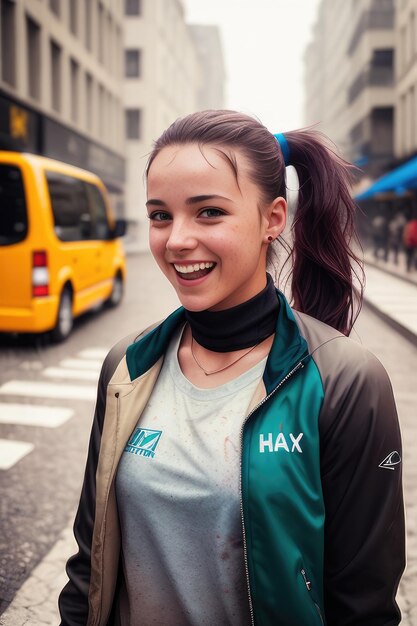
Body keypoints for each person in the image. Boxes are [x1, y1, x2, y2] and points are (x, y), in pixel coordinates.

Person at [59, 110, 405, 625]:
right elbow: (90, 565)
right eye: (160, 215)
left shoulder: (347, 381)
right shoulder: (126, 367)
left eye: (209, 212)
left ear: (273, 218)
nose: (176, 239)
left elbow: (364, 606)